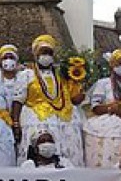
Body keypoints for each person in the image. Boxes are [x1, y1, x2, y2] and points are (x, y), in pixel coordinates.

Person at [12, 35, 85, 166]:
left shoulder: (62, 74)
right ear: (36, 55)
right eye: (43, 52)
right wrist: (16, 123)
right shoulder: (26, 75)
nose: (46, 55)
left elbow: (73, 98)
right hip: (36, 118)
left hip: (63, 118)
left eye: (49, 53)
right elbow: (17, 100)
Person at [84, 49, 121, 168]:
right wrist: (112, 108)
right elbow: (95, 108)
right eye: (120, 63)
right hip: (108, 124)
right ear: (112, 66)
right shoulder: (103, 83)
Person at [0, 44, 26, 108]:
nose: (8, 60)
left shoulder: (24, 76)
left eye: (11, 57)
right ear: (0, 61)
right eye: (5, 58)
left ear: (16, 60)